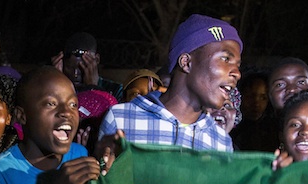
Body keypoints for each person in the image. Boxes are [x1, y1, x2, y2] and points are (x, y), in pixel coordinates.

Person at [99, 14, 242, 155]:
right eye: (225, 59)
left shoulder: (221, 142)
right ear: (186, 63)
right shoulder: (122, 118)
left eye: (237, 65)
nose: (237, 73)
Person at [52, 32, 123, 100]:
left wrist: (93, 88)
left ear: (96, 60)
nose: (75, 74)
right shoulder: (60, 88)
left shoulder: (116, 90)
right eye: (69, 67)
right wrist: (56, 84)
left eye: (81, 68)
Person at [230, 71, 278, 151]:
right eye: (250, 96)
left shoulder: (272, 130)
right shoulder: (230, 125)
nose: (256, 103)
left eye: (263, 98)